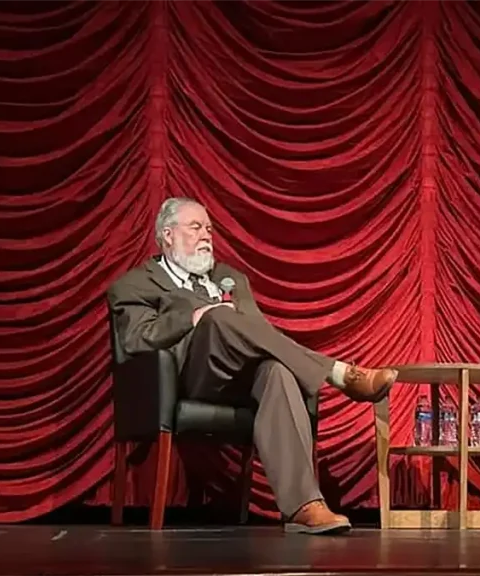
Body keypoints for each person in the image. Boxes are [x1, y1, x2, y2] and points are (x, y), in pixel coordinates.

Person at [107, 197, 398, 535]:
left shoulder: (231, 279)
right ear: (167, 235)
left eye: (209, 229)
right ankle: (338, 373)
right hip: (189, 376)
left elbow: (257, 334)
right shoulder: (135, 285)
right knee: (218, 316)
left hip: (239, 377)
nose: (206, 235)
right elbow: (136, 339)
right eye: (196, 227)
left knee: (278, 372)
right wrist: (193, 317)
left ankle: (304, 506)